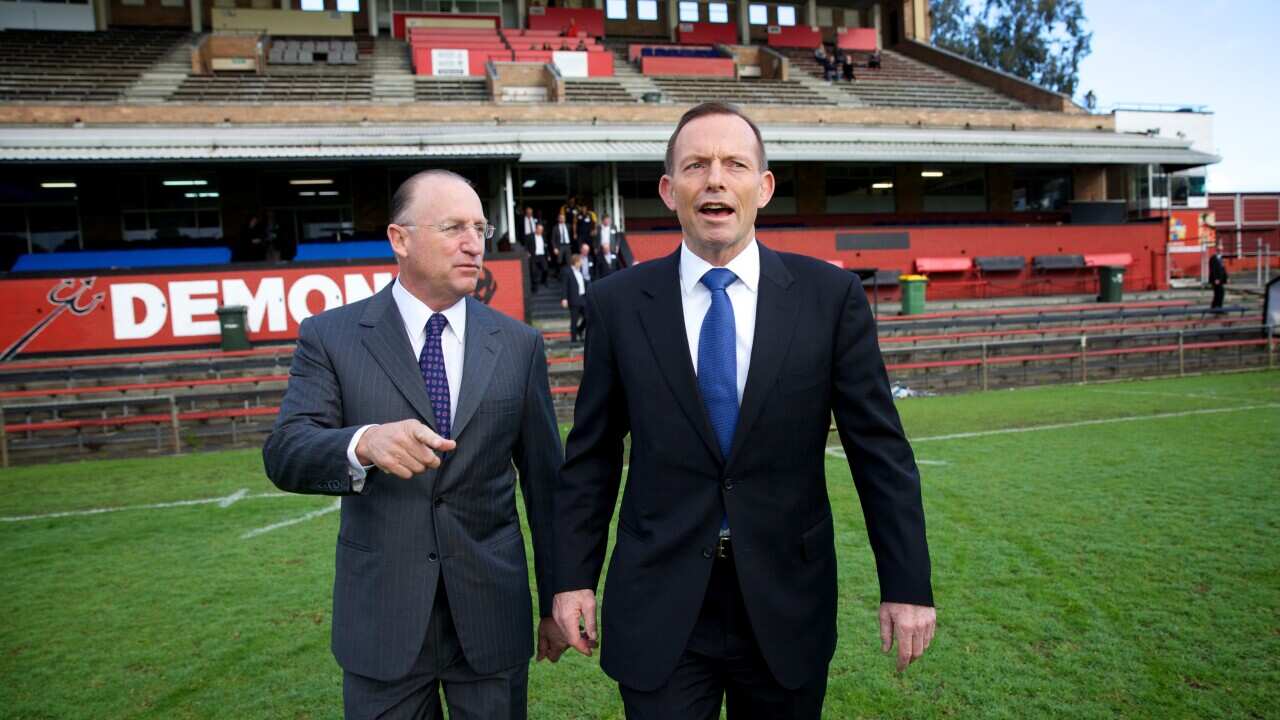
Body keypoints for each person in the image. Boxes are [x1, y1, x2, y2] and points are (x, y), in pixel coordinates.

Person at [552, 103, 935, 718]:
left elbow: (879, 451)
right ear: (668, 188)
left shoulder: (829, 298)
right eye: (696, 164)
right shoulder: (618, 304)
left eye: (735, 163)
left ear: (764, 187)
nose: (715, 179)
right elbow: (592, 457)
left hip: (786, 598)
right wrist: (572, 578)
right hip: (660, 600)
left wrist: (907, 584)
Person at [263, 169, 567, 720]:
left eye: (480, 227)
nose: (475, 243)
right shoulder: (330, 336)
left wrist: (556, 600)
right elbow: (285, 451)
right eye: (453, 227)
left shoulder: (518, 345)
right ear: (399, 240)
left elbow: (547, 488)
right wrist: (363, 443)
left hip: (491, 617)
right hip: (382, 622)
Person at [561, 252, 589, 342]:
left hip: (582, 298)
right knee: (574, 319)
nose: (581, 263)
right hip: (573, 299)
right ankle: (573, 339)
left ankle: (579, 330)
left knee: (588, 316)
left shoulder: (579, 272)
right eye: (580, 261)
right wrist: (564, 298)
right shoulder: (568, 271)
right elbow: (564, 286)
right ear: (576, 262)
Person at [551, 212, 574, 278]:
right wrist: (554, 248)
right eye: (560, 218)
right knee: (559, 261)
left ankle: (568, 275)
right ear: (558, 219)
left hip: (567, 245)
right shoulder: (555, 227)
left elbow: (572, 235)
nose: (562, 219)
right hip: (560, 246)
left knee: (569, 261)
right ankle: (558, 274)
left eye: (563, 218)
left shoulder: (568, 226)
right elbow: (553, 239)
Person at [528, 221, 550, 290]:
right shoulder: (530, 236)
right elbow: (526, 246)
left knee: (546, 269)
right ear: (536, 229)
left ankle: (543, 281)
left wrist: (548, 255)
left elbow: (546, 247)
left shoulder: (544, 237)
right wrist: (527, 252)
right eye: (539, 229)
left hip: (542, 256)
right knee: (534, 272)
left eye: (542, 230)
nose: (541, 231)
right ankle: (534, 287)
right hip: (534, 256)